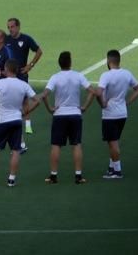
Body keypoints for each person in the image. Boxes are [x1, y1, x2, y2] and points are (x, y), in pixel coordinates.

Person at [0, 60, 38, 188]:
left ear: (6, 69)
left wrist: (0, 102)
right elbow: (36, 100)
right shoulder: (23, 85)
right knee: (15, 150)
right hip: (16, 120)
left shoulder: (0, 83)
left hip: (3, 121)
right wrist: (25, 111)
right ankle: (11, 180)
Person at [39, 51, 94, 185]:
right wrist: (85, 106)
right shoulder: (78, 76)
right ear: (70, 62)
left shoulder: (55, 77)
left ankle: (53, 176)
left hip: (60, 115)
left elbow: (45, 94)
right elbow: (92, 91)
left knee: (56, 145)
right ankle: (78, 176)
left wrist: (49, 108)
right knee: (76, 145)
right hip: (75, 114)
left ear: (59, 63)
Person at [96, 49, 138, 179]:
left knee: (113, 143)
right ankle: (111, 168)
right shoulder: (127, 74)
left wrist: (102, 103)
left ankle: (117, 171)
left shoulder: (106, 75)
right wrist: (127, 102)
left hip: (110, 114)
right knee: (113, 141)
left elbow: (98, 92)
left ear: (109, 61)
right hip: (122, 113)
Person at [5, 17, 43, 136]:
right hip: (9, 75)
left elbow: (39, 51)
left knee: (24, 100)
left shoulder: (26, 39)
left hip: (21, 73)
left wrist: (30, 65)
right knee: (9, 98)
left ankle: (27, 125)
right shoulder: (6, 40)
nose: (10, 29)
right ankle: (10, 122)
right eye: (8, 27)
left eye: (12, 27)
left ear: (18, 27)